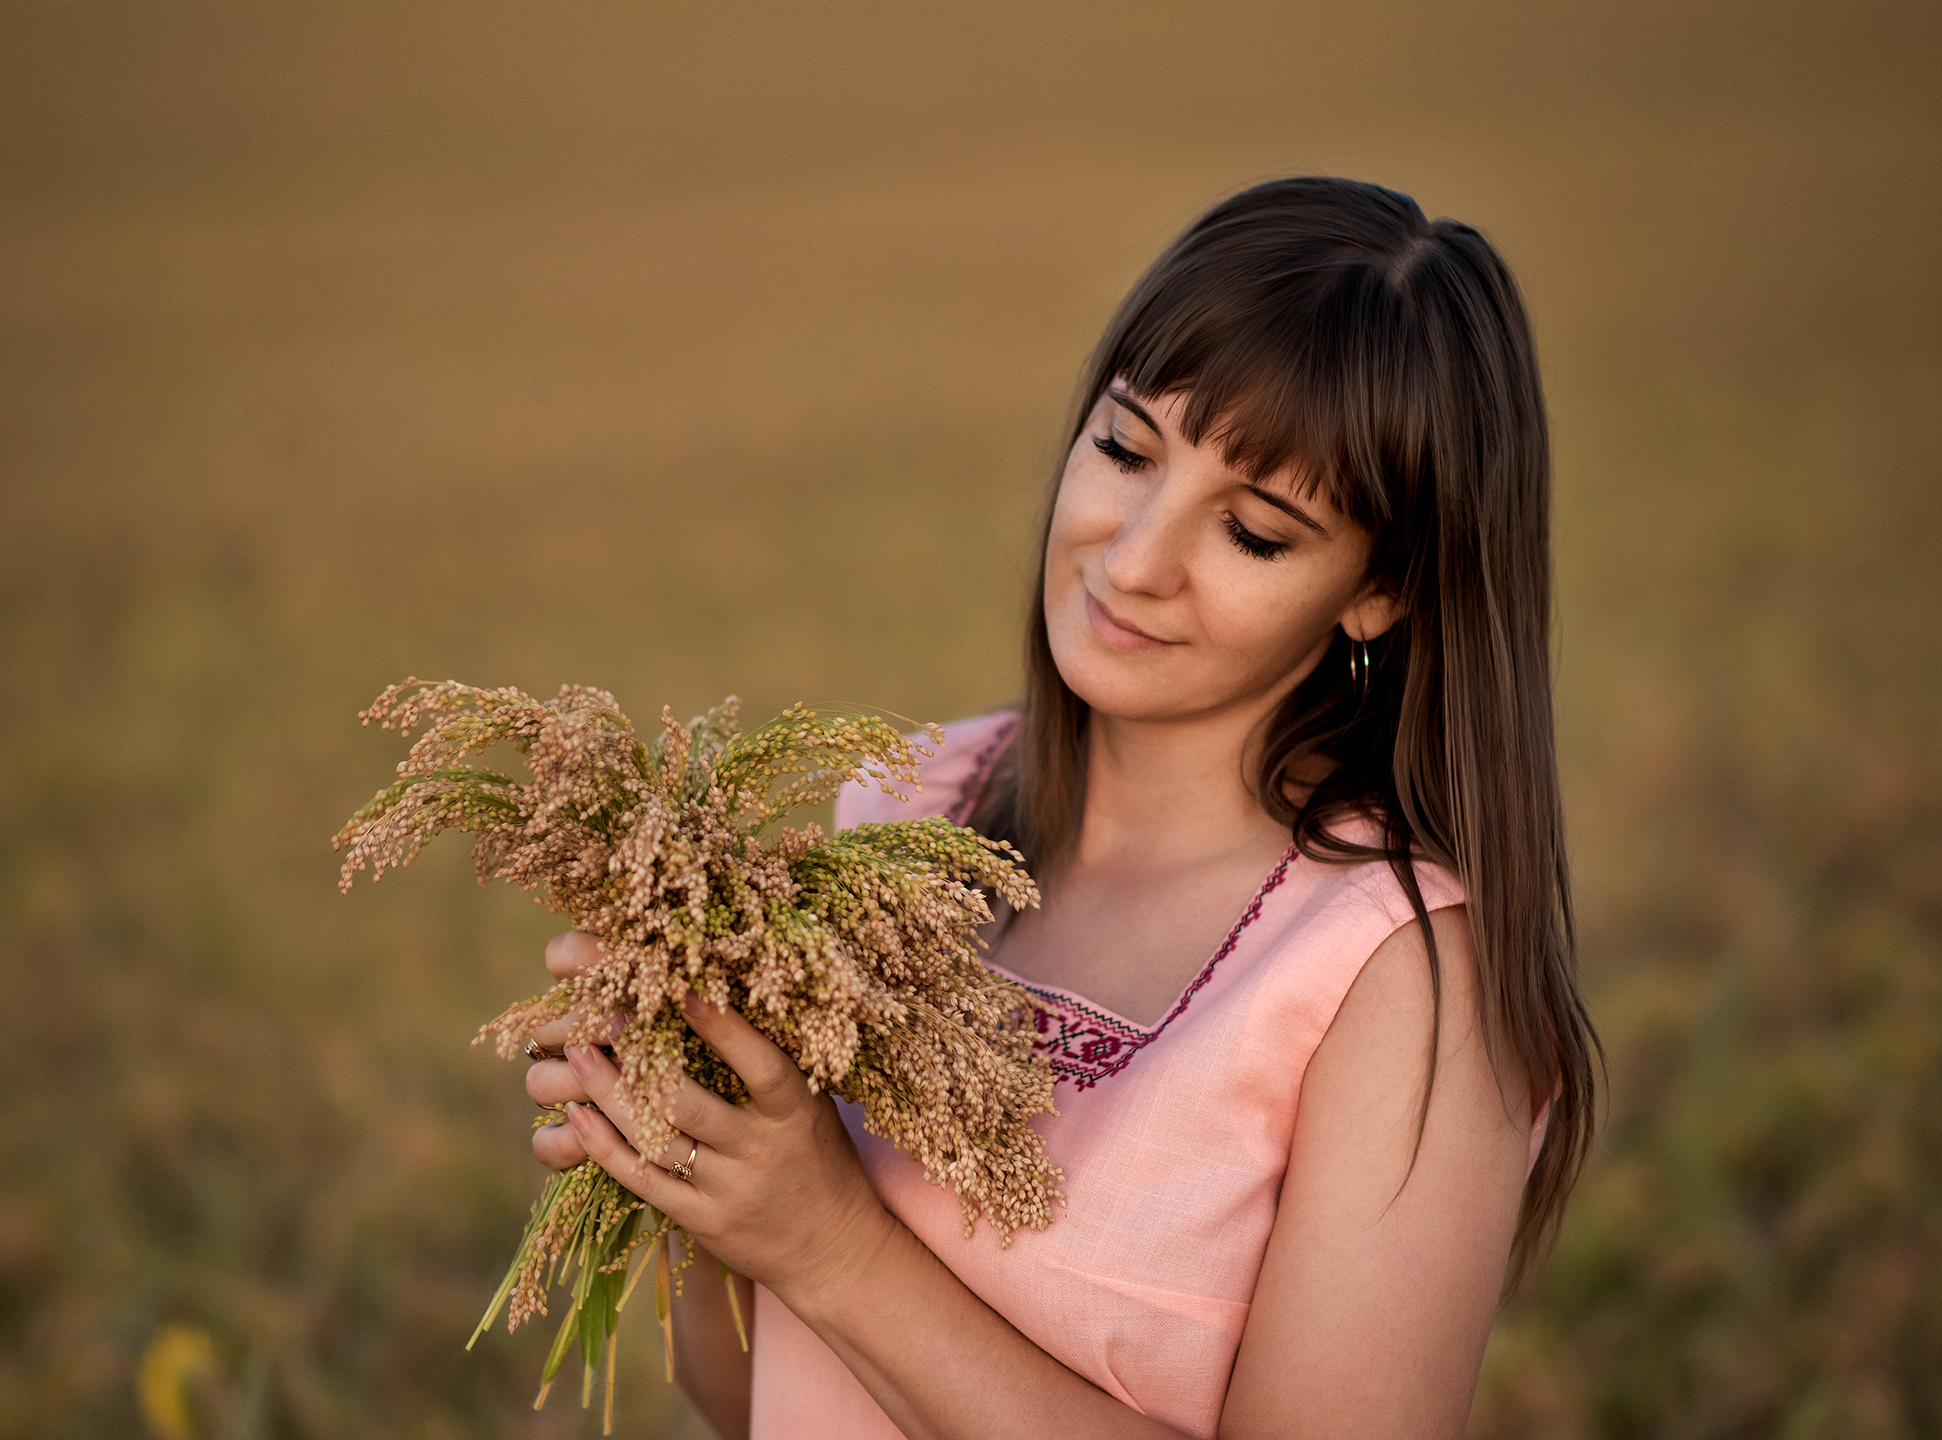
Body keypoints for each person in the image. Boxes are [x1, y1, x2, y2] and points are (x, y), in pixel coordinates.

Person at [523, 176, 1599, 1440]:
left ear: (1379, 591)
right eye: (1126, 449)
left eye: (1252, 533)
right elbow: (757, 1394)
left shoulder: (1401, 981)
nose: (1134, 557)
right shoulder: (899, 811)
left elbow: (829, 1268)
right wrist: (676, 1143)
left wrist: (831, 1242)